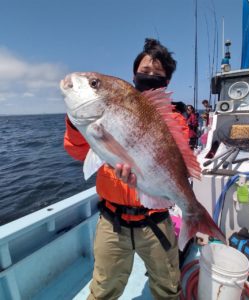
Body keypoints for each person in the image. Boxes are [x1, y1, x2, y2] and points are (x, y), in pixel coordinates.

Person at [64, 38, 188, 300]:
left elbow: (180, 163)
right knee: (102, 291)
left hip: (155, 221)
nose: (150, 76)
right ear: (134, 75)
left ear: (166, 82)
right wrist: (77, 125)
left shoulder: (174, 118)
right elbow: (77, 152)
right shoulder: (110, 108)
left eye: (158, 74)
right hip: (112, 222)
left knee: (168, 288)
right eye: (145, 71)